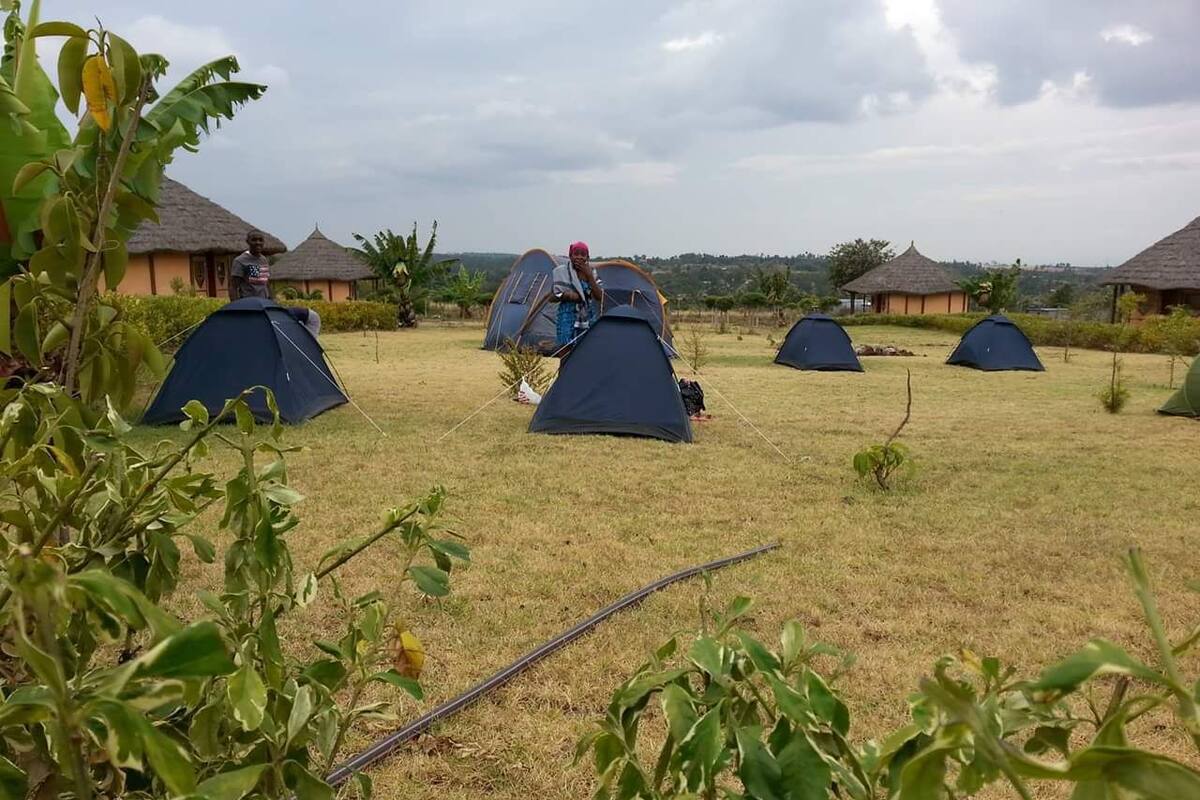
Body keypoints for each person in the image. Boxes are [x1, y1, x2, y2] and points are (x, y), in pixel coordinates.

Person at [552, 241, 604, 349]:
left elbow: (599, 297)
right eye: (576, 254)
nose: (579, 257)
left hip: (587, 318)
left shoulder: (592, 273)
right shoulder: (561, 272)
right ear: (570, 256)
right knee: (565, 350)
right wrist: (568, 296)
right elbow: (552, 296)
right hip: (566, 317)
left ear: (587, 257)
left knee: (584, 349)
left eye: (583, 254)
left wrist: (589, 276)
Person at [229, 230, 272, 300]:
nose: (258, 242)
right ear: (248, 241)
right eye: (254, 240)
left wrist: (272, 301)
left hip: (264, 303)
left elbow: (266, 283)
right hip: (248, 303)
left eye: (260, 240)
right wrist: (236, 306)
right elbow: (233, 286)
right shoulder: (240, 261)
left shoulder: (264, 260)